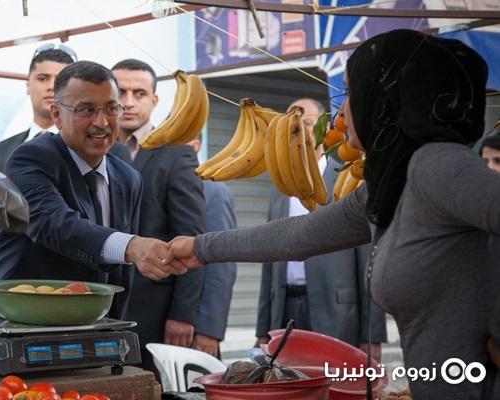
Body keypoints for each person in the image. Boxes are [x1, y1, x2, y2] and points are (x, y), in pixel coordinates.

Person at [165, 29, 499, 398]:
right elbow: (299, 235)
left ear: (384, 98)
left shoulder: (437, 164)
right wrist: (201, 247)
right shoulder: (392, 184)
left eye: (352, 93)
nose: (341, 113)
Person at [0, 61, 185, 318]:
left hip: (89, 326)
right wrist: (131, 246)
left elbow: (120, 274)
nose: (102, 122)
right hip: (19, 320)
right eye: (86, 110)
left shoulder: (128, 178)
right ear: (57, 114)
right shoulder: (31, 158)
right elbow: (54, 223)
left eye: (111, 109)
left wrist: (115, 327)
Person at [255, 98, 386, 356]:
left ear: (324, 130)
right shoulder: (280, 188)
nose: (298, 130)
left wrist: (372, 334)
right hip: (285, 311)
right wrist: (262, 328)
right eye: (290, 123)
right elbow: (269, 262)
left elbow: (369, 261)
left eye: (306, 122)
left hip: (336, 314)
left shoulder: (347, 179)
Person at [0, 44, 75, 316]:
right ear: (27, 84)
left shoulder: (87, 153)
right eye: (43, 78)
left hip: (56, 295)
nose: (50, 87)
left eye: (60, 80)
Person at [110, 59, 206, 373]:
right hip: (96, 308)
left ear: (153, 100)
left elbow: (192, 237)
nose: (128, 102)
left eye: (139, 93)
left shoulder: (176, 152)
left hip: (152, 310)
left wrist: (182, 313)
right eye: (120, 92)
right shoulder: (92, 150)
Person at [186, 137, 238, 358]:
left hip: (197, 328)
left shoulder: (214, 191)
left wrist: (209, 329)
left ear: (195, 145)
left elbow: (222, 265)